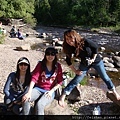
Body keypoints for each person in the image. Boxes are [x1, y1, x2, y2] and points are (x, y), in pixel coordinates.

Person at [58, 29, 120, 107]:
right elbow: (68, 60)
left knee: (105, 77)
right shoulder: (68, 47)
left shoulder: (85, 41)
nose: (69, 41)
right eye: (67, 39)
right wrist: (75, 71)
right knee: (77, 79)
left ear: (75, 37)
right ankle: (63, 95)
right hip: (85, 63)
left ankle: (114, 92)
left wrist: (93, 59)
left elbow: (95, 47)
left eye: (70, 38)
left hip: (97, 61)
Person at [22, 47, 63, 116]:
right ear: (45, 55)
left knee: (40, 104)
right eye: (48, 54)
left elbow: (60, 81)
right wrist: (29, 93)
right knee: (26, 99)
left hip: (50, 91)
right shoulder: (40, 64)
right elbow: (34, 78)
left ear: (55, 55)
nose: (50, 56)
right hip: (38, 88)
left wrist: (51, 91)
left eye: (52, 54)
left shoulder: (58, 66)